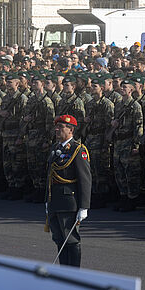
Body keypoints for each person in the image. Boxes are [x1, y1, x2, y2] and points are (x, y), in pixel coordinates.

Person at [45, 114, 92, 267]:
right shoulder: (56, 147)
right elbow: (50, 176)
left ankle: (73, 273)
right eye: (56, 126)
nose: (56, 129)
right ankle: (63, 272)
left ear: (71, 129)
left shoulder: (78, 149)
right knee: (59, 238)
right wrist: (47, 200)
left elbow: (85, 179)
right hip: (55, 201)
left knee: (70, 239)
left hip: (69, 202)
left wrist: (84, 206)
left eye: (61, 127)